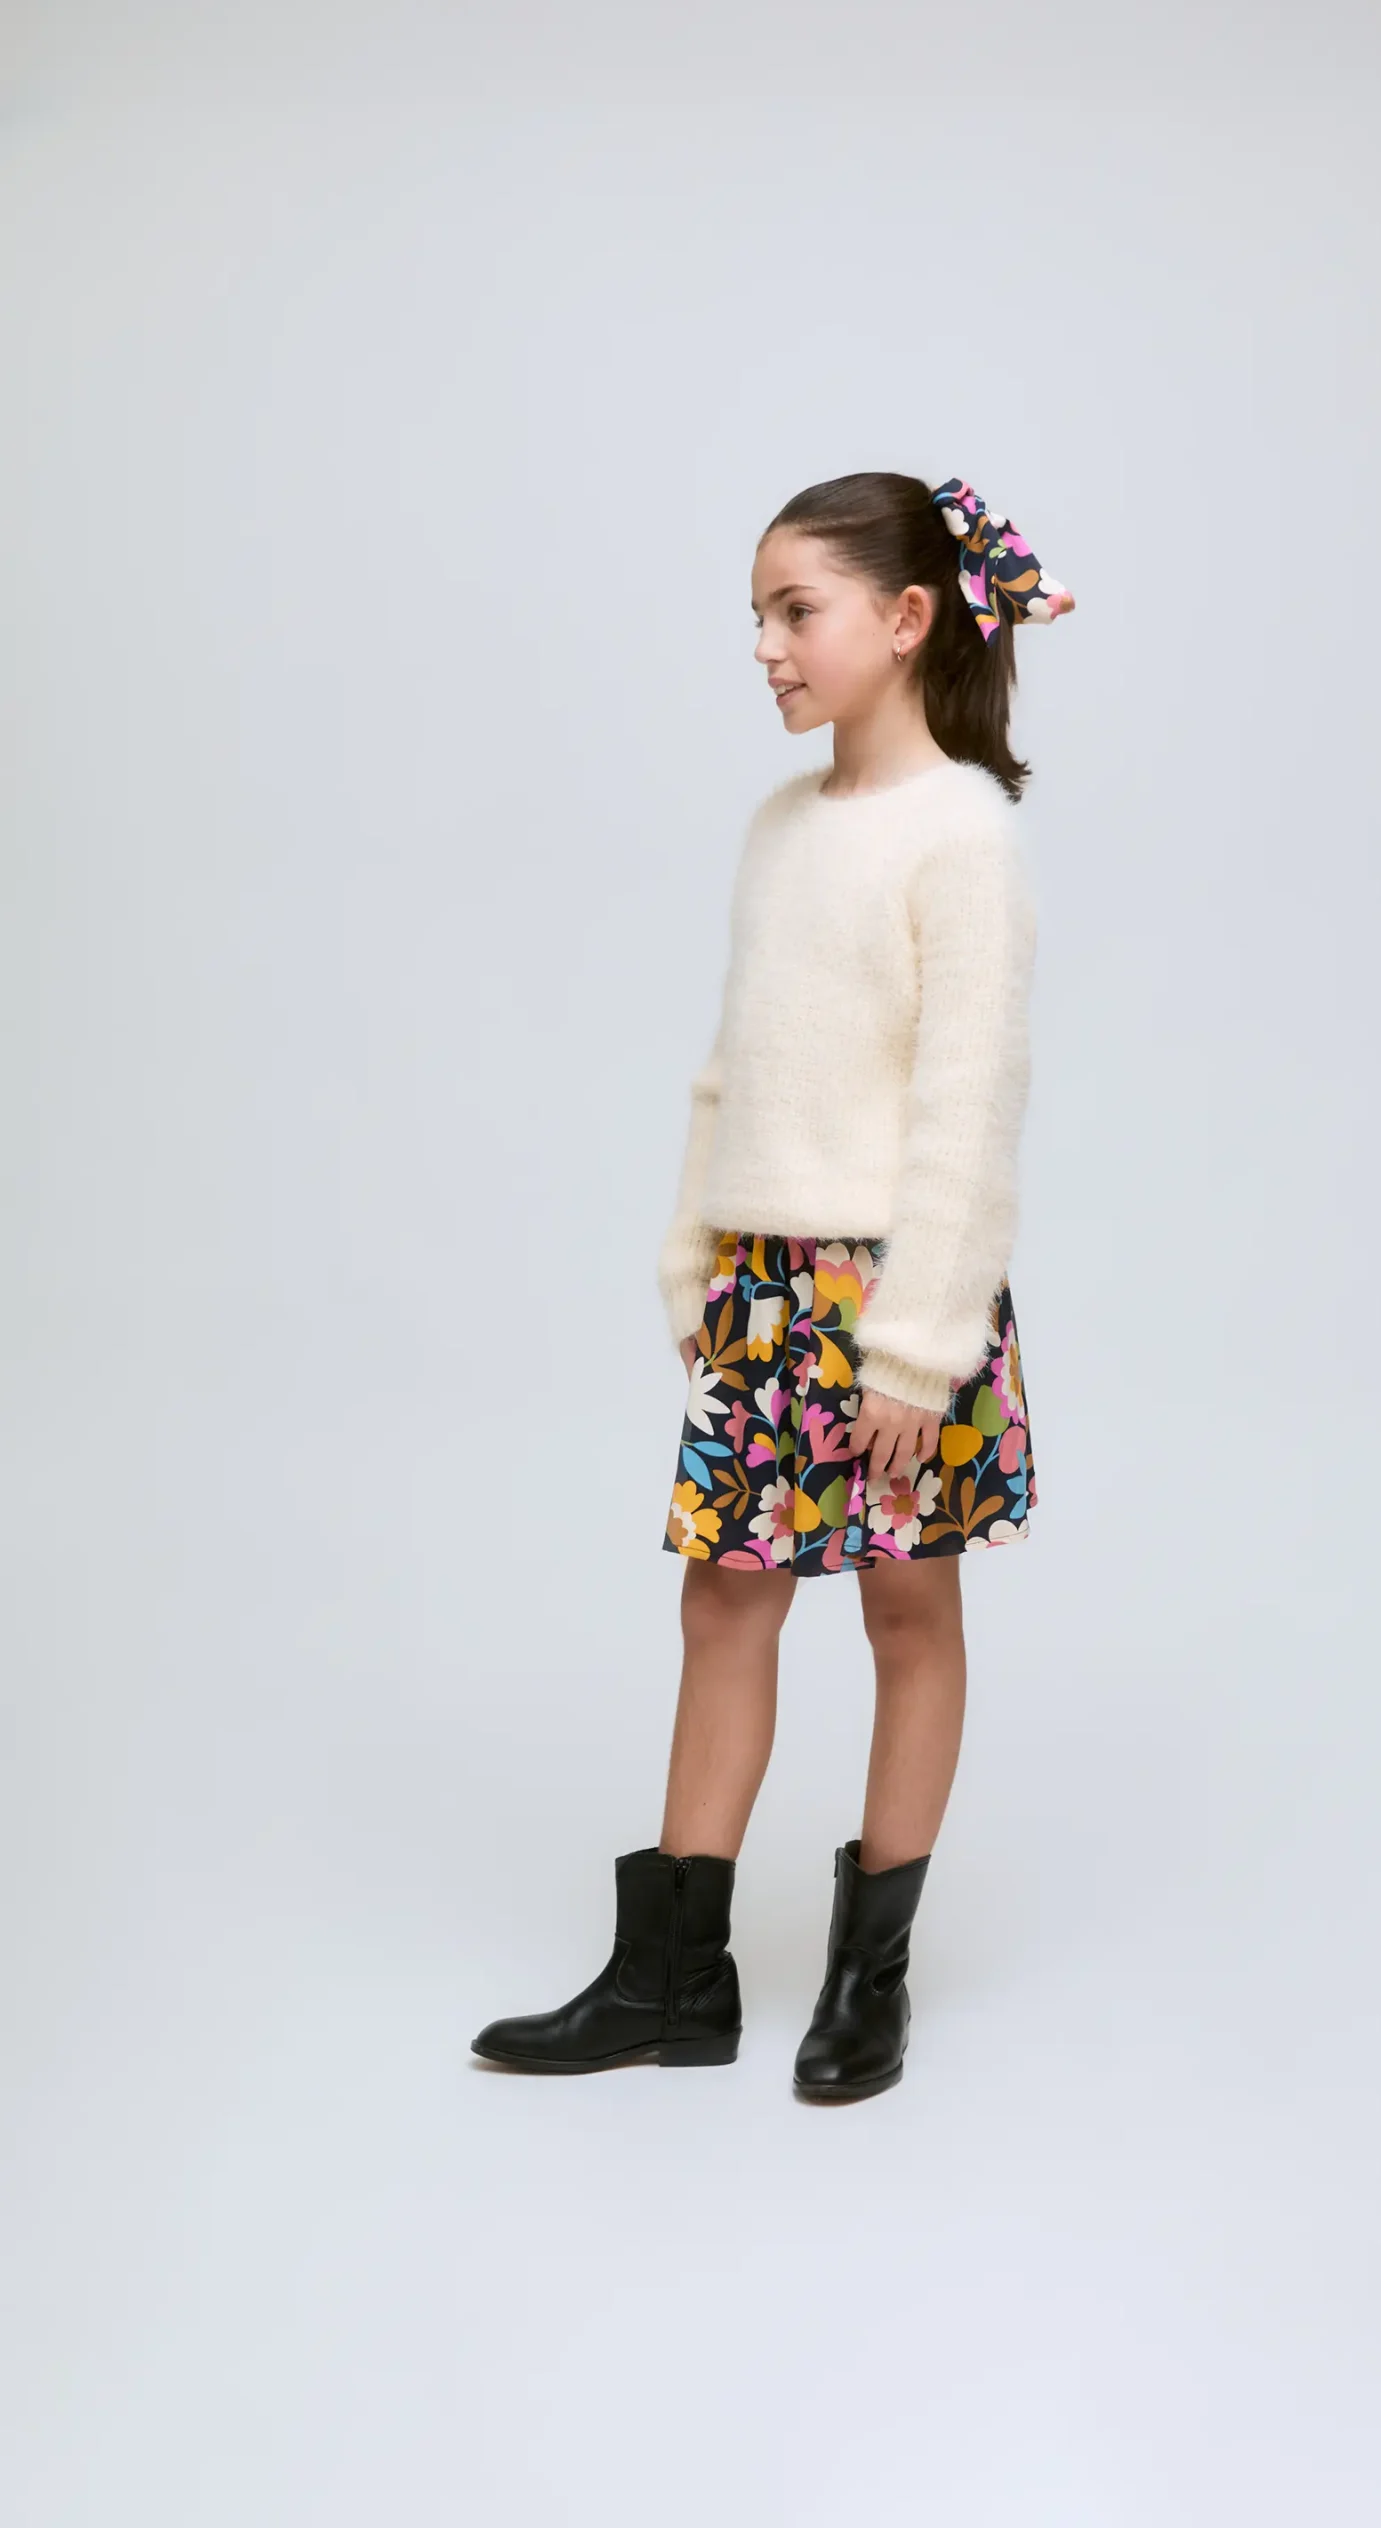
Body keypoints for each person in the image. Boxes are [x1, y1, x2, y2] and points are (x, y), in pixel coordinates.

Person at [470, 472, 1073, 2102]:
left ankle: (869, 1981)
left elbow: (968, 1107)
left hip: (899, 1299)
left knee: (905, 1604)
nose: (764, 646)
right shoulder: (780, 828)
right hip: (763, 1284)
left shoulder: (962, 835)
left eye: (794, 610)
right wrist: (695, 1251)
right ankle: (673, 1978)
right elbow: (734, 1066)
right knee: (722, 1598)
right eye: (756, 615)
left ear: (906, 617)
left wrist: (918, 1348)